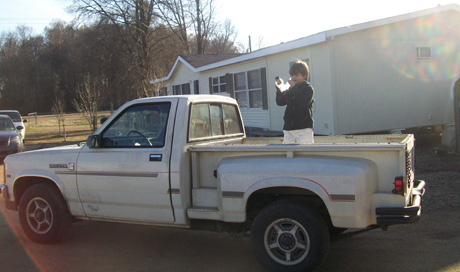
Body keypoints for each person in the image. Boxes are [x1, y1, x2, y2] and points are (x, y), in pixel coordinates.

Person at [275, 60, 315, 144]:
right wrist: (279, 89)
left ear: (304, 76)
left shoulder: (308, 89)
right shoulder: (290, 88)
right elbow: (280, 102)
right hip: (289, 128)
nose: (293, 77)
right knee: (288, 154)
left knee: (305, 153)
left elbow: (304, 102)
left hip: (304, 129)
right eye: (292, 75)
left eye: (296, 75)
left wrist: (294, 88)